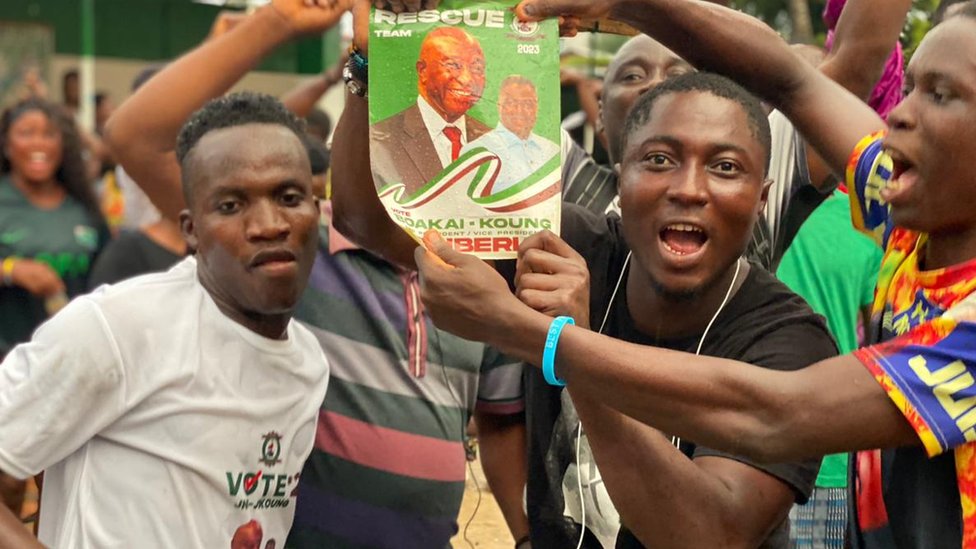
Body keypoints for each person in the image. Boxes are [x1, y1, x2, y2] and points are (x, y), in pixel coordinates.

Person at [411, 0, 976, 547]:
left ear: (763, 197)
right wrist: (630, 5)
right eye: (912, 89)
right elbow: (791, 80)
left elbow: (776, 414)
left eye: (943, 95)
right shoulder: (917, 218)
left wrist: (527, 333)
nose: (899, 113)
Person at [332, 58, 842, 548]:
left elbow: (713, 535)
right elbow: (368, 222)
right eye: (659, 160)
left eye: (726, 167)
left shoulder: (789, 342)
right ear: (620, 176)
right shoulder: (566, 243)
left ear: (761, 196)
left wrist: (562, 345)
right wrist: (373, 67)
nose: (689, 189)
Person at [103, 2, 530, 547]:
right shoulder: (296, 250)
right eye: (398, 136)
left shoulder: (481, 271)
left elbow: (499, 419)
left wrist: (524, 535)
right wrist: (278, 23)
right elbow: (135, 139)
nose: (426, 159)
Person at [0, 90, 331, 547]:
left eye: (290, 197)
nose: (269, 223)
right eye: (231, 206)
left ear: (317, 210)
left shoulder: (309, 363)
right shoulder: (118, 329)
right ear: (192, 231)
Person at [776, 190, 883, 548]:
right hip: (834, 439)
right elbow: (876, 337)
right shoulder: (867, 227)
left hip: (761, 440)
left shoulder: (764, 212)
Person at [370, 26, 490, 194]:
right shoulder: (380, 140)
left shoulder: (494, 141)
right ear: (422, 71)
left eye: (477, 68)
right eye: (453, 65)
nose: (467, 79)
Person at [461, 75, 560, 194]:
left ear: (536, 109)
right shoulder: (476, 152)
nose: (519, 110)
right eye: (511, 102)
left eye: (528, 104)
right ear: (499, 106)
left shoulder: (553, 151)